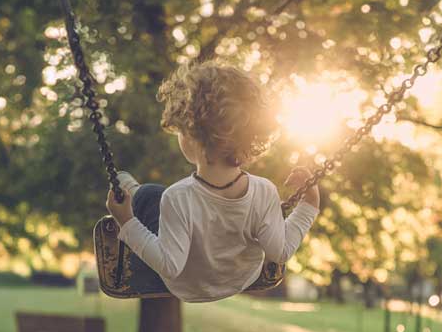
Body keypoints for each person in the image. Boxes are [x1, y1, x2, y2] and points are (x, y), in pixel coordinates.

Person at [104, 62, 321, 303]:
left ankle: (133, 190)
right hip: (241, 279)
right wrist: (309, 205)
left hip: (188, 286)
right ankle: (132, 189)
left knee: (148, 195)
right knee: (154, 196)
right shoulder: (265, 191)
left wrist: (126, 221)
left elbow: (169, 265)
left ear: (192, 137)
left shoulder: (177, 198)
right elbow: (280, 252)